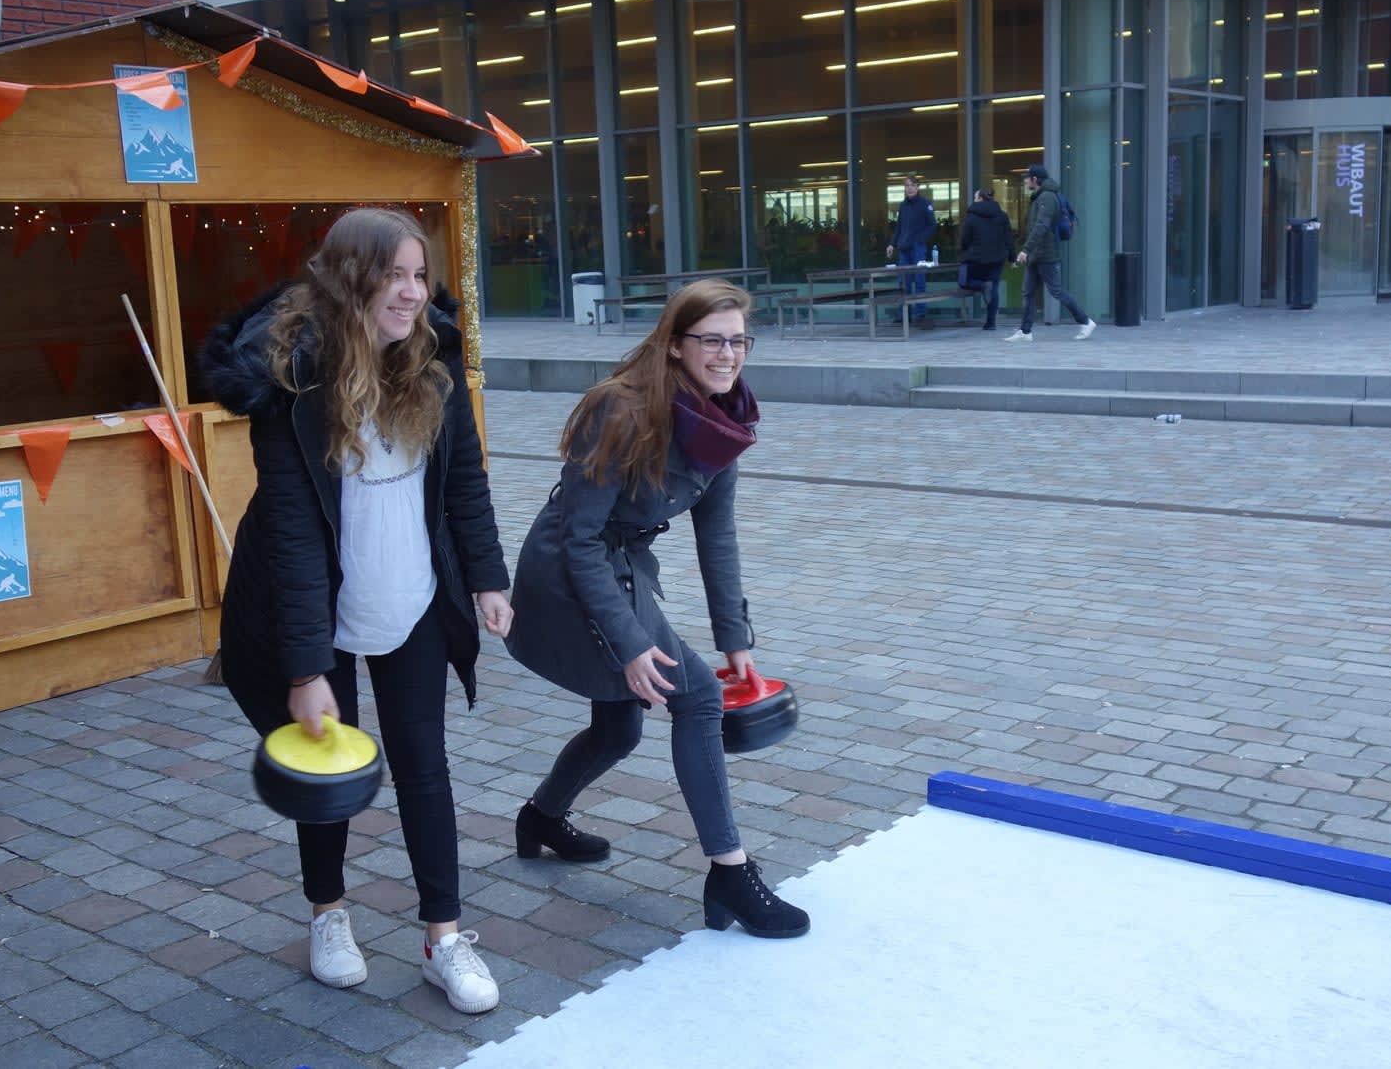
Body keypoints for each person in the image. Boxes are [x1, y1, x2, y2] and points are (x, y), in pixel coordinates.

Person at [200, 207, 514, 1014]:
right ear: (350, 280)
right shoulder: (291, 385)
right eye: (394, 276)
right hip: (316, 609)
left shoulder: (432, 365)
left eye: (420, 276)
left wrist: (486, 575)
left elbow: (466, 482)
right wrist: (306, 668)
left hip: (410, 596)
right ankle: (328, 914)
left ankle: (444, 937)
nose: (413, 293)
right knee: (325, 769)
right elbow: (295, 539)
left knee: (424, 765)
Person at [504, 279, 810, 941]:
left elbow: (716, 534)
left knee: (619, 728)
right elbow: (580, 538)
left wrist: (737, 637)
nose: (728, 354)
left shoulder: (725, 418)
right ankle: (729, 869)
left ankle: (541, 818)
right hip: (565, 572)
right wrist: (629, 641)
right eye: (712, 341)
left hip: (622, 565)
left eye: (738, 341)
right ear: (675, 346)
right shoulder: (620, 410)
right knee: (694, 696)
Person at [1008, 164, 1096, 342]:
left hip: (1046, 254)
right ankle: (1025, 331)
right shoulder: (1039, 197)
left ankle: (1086, 321)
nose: (1025, 181)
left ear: (1035, 180)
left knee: (1056, 291)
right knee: (1028, 292)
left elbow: (1042, 226)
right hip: (1036, 254)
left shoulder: (1047, 198)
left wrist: (1026, 250)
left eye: (1027, 178)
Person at [958, 186, 1014, 331]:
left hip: (976, 258)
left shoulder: (971, 217)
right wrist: (1012, 258)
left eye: (976, 197)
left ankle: (982, 286)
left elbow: (964, 239)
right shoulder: (1002, 215)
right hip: (997, 258)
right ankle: (990, 323)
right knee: (993, 287)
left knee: (964, 282)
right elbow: (1009, 238)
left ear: (980, 199)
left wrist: (965, 250)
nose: (974, 200)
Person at [886, 175, 937, 320]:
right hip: (903, 248)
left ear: (917, 187)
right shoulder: (903, 206)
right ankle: (904, 314)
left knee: (919, 280)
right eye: (907, 185)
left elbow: (932, 226)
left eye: (912, 185)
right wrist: (892, 244)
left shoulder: (925, 204)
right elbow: (899, 227)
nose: (909, 188)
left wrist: (920, 239)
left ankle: (920, 313)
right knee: (903, 282)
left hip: (917, 248)